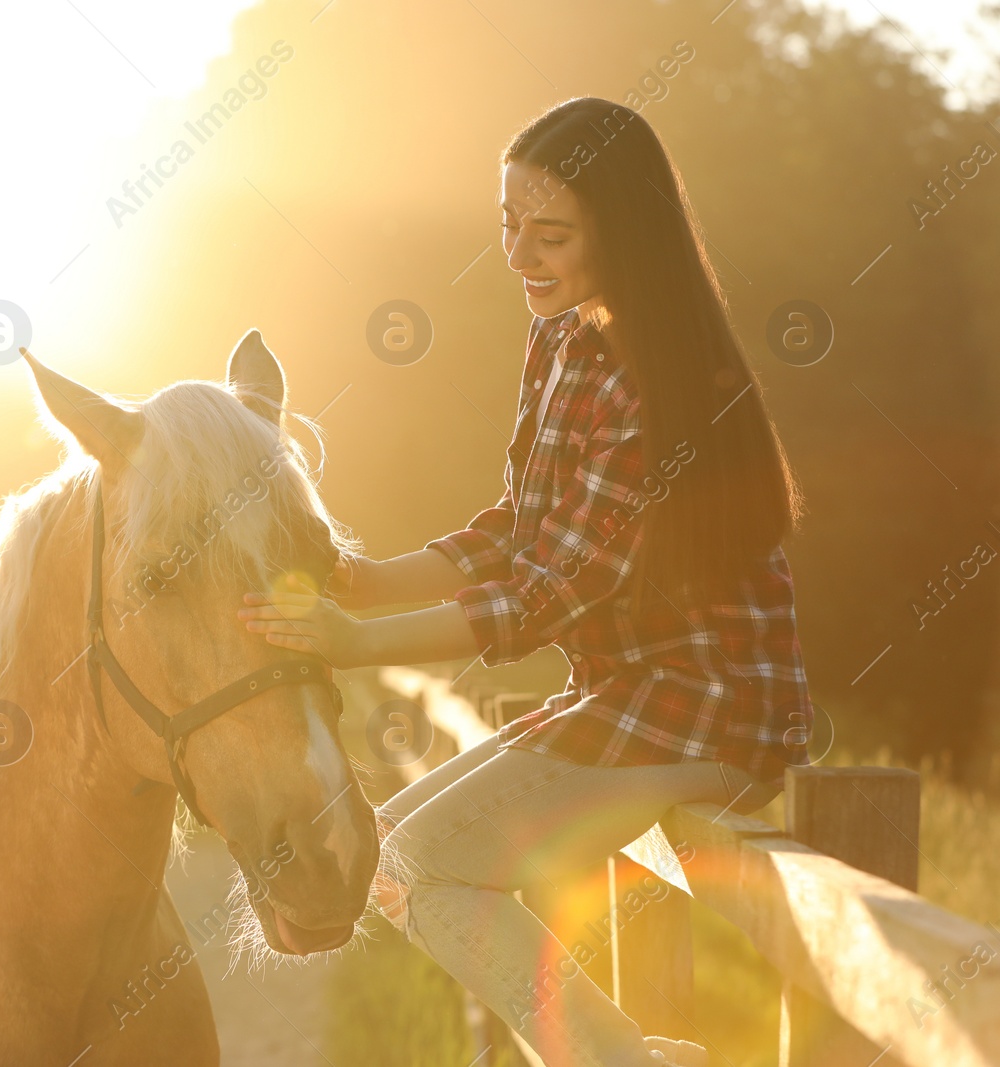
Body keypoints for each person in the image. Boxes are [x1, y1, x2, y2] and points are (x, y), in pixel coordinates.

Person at [237, 96, 812, 1067]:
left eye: (551, 234)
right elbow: (519, 526)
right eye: (508, 223)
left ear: (619, 236)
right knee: (390, 855)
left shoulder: (652, 376)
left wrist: (357, 639)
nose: (520, 253)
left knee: (412, 858)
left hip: (704, 710)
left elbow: (559, 590)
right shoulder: (561, 341)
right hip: (624, 697)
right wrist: (367, 582)